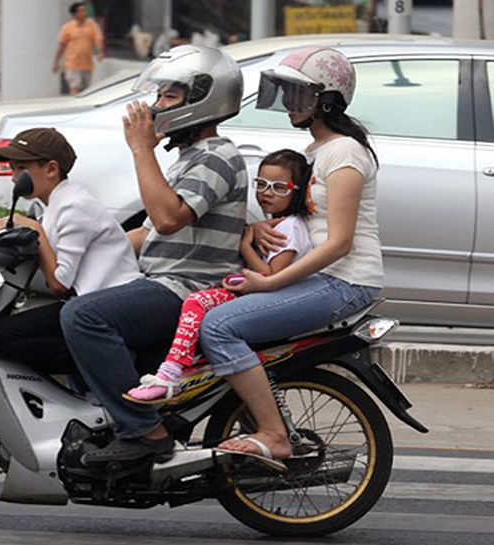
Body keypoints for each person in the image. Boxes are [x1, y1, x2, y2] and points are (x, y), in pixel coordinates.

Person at [59, 45, 247, 463]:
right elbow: (146, 234)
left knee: (84, 316)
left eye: (169, 97)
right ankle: (103, 417)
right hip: (161, 280)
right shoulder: (188, 158)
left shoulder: (218, 156)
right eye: (159, 95)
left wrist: (141, 149)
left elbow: (166, 219)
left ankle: (145, 431)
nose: (156, 106)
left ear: (203, 99)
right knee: (67, 303)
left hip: (188, 288)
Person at [199, 47, 383, 467]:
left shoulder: (345, 154)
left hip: (346, 281)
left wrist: (269, 283)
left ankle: (273, 434)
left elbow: (339, 243)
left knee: (220, 326)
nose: (289, 103)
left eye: (300, 95)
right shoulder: (317, 151)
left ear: (328, 100)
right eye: (287, 93)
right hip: (323, 278)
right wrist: (255, 229)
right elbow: (297, 218)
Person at [125, 149, 313, 403]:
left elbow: (271, 275)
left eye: (279, 187)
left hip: (266, 295)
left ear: (297, 190)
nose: (267, 193)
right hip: (249, 289)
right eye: (262, 184)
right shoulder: (273, 224)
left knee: (196, 302)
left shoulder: (290, 227)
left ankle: (170, 374)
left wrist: (246, 246)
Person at [0, 127, 141, 375]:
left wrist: (36, 231)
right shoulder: (54, 206)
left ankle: (111, 359)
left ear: (51, 169)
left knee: (1, 336)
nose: (14, 178)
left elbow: (60, 283)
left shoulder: (74, 207)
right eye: (12, 169)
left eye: (21, 169)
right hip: (86, 302)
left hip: (104, 305)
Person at [53, 2, 104, 95]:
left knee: (86, 91)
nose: (84, 13)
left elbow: (98, 40)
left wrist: (100, 52)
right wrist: (56, 63)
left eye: (84, 10)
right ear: (75, 13)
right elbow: (61, 46)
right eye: (81, 11)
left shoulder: (92, 26)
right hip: (72, 64)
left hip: (87, 65)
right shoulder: (67, 28)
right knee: (75, 88)